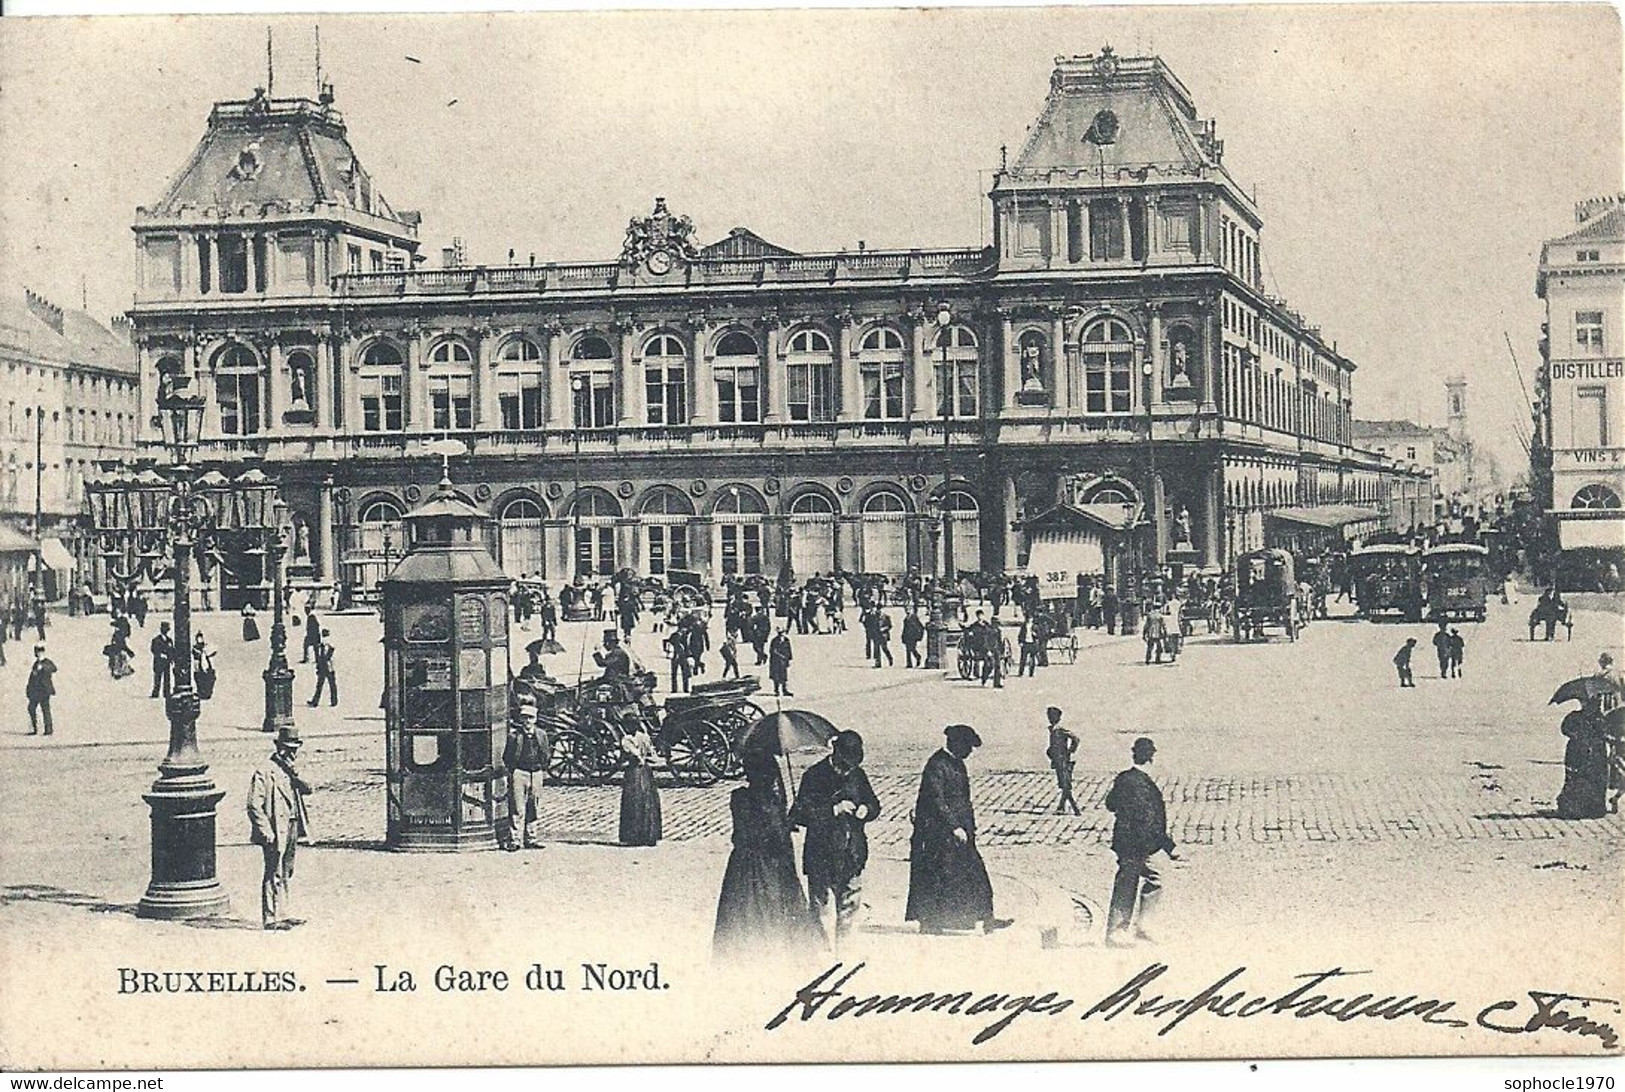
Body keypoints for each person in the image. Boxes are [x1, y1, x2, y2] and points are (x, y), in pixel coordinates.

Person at [713, 749, 817, 963]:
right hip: (770, 865)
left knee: (742, 916)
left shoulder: (739, 797)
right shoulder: (771, 803)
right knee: (771, 913)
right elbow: (773, 838)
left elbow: (741, 834)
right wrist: (787, 823)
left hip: (742, 865)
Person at [904, 724, 1009, 935]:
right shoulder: (937, 765)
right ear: (956, 744)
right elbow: (936, 800)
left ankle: (986, 918)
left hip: (959, 832)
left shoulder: (957, 764)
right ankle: (930, 921)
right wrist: (954, 826)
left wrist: (968, 827)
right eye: (968, 747)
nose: (970, 752)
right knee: (937, 877)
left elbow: (963, 800)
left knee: (975, 874)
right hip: (937, 833)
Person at [789, 730, 881, 946]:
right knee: (821, 908)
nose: (846, 769)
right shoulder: (813, 776)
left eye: (851, 765)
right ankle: (823, 951)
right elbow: (800, 814)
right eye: (844, 764)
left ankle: (844, 950)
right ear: (835, 754)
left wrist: (865, 810)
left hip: (852, 852)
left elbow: (875, 804)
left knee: (850, 905)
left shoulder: (857, 775)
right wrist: (833, 809)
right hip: (821, 853)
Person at [1104, 737, 1177, 947]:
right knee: (1130, 883)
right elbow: (1150, 822)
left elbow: (1110, 804)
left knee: (1147, 879)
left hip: (1128, 842)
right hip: (1136, 845)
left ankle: (1140, 928)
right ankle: (1118, 933)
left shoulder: (1124, 778)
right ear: (1151, 757)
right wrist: (1169, 847)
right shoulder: (1144, 785)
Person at [247, 725, 312, 930]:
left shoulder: (292, 769)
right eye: (288, 748)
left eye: (294, 748)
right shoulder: (265, 771)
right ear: (279, 747)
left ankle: (284, 913)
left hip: (292, 825)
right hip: (275, 828)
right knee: (273, 871)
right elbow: (253, 804)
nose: (292, 752)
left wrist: (295, 774)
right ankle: (271, 918)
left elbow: (308, 789)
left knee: (286, 870)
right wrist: (265, 830)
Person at [501, 699, 550, 851]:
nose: (527, 721)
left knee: (533, 806)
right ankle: (515, 839)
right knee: (517, 807)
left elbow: (546, 753)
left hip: (536, 773)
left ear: (535, 719)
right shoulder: (514, 736)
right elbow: (507, 757)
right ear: (521, 719)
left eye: (530, 718)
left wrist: (541, 768)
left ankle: (531, 837)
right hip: (519, 773)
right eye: (525, 718)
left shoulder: (541, 735)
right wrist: (514, 771)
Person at [618, 723, 662, 847]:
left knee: (634, 801)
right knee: (648, 800)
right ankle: (648, 834)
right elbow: (651, 753)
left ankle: (634, 835)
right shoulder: (644, 736)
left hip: (634, 771)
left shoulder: (626, 740)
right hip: (646, 771)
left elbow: (633, 755)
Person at [1045, 706, 1081, 815]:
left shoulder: (1060, 729)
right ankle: (1063, 807)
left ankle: (1073, 809)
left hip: (1063, 759)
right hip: (1057, 759)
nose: (1050, 718)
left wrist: (1070, 751)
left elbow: (1075, 738)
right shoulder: (1053, 729)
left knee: (1065, 784)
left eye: (1052, 716)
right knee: (1064, 783)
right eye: (1049, 716)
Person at [25, 643, 56, 736]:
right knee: (31, 708)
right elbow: (32, 678)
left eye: (39, 651)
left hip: (44, 691)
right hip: (35, 691)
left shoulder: (47, 662)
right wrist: (28, 689)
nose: (38, 654)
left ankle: (48, 729)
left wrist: (43, 667)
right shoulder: (36, 664)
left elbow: (54, 668)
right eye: (36, 652)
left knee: (45, 709)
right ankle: (35, 728)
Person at [308, 629, 338, 706]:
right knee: (331, 684)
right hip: (329, 667)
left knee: (320, 685)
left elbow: (325, 656)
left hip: (326, 666)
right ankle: (334, 701)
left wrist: (320, 665)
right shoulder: (329, 643)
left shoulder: (325, 644)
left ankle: (315, 701)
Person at [148, 622, 173, 699]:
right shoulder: (156, 640)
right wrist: (160, 654)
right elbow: (153, 649)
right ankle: (156, 692)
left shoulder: (169, 640)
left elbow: (172, 650)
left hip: (167, 662)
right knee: (157, 678)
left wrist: (171, 658)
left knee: (167, 678)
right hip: (159, 662)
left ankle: (166, 692)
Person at [663, 627, 692, 693]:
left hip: (680, 657)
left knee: (680, 673)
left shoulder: (682, 636)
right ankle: (679, 689)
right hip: (677, 656)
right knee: (677, 674)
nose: (685, 630)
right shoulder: (676, 636)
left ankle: (680, 689)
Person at [768, 627, 793, 697]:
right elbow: (773, 651)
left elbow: (789, 650)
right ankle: (776, 690)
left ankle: (784, 690)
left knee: (784, 676)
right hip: (775, 662)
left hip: (783, 662)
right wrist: (781, 656)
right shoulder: (774, 641)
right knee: (776, 676)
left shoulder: (786, 640)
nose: (781, 634)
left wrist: (789, 659)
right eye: (780, 633)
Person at [193, 633, 217, 700]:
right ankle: (202, 691)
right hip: (201, 666)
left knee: (207, 677)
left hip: (206, 666)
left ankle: (205, 692)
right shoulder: (196, 649)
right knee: (200, 676)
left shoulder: (205, 648)